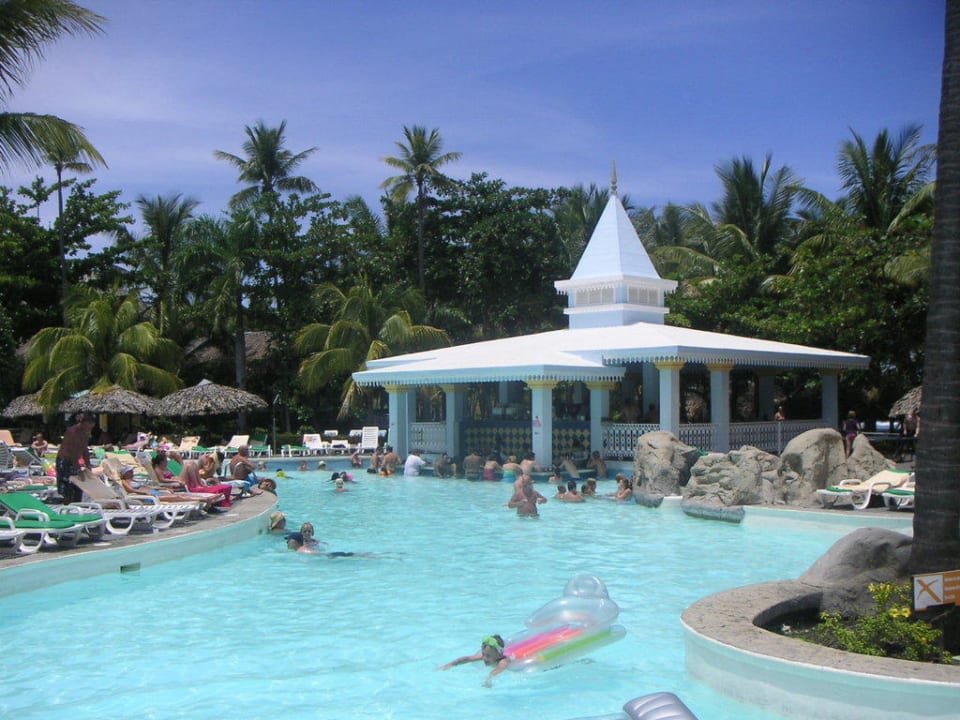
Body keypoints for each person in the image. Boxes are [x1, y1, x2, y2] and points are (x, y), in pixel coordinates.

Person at [440, 635, 511, 687]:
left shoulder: (504, 661)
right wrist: (450, 664)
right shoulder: (486, 656)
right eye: (483, 654)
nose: (484, 658)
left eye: (488, 656)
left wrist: (488, 679)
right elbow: (467, 659)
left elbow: (496, 670)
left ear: (499, 655)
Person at [56, 412, 96, 503]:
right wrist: (78, 469)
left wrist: (88, 465)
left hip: (74, 461)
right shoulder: (73, 432)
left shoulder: (86, 432)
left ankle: (77, 504)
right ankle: (67, 505)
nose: (91, 426)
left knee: (78, 487)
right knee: (68, 488)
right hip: (65, 461)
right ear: (83, 422)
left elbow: (84, 448)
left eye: (93, 424)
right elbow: (72, 453)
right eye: (89, 423)